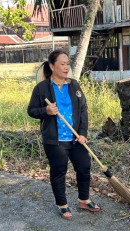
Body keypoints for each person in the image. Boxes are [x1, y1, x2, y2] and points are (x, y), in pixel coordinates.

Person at [28, 50, 100, 220]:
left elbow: (83, 110)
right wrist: (46, 110)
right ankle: (62, 205)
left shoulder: (74, 85)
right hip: (55, 140)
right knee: (59, 171)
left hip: (75, 138)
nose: (66, 67)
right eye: (62, 63)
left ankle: (84, 199)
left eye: (68, 63)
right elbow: (31, 111)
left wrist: (82, 133)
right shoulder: (42, 88)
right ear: (52, 67)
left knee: (84, 167)